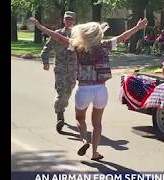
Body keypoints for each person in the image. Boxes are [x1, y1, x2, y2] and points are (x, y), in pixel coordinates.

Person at [28, 16, 148, 160]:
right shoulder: (105, 45)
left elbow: (56, 36)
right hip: (101, 90)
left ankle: (85, 140)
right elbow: (123, 37)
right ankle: (95, 153)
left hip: (84, 89)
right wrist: (138, 27)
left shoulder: (77, 46)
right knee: (97, 123)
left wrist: (39, 26)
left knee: (80, 118)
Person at [40, 11, 77, 133]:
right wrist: (45, 61)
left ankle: (61, 107)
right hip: (60, 68)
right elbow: (46, 48)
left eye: (71, 19)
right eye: (67, 19)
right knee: (61, 91)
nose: (69, 21)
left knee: (69, 91)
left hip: (73, 69)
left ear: (74, 21)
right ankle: (60, 115)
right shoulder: (57, 34)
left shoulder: (78, 35)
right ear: (64, 21)